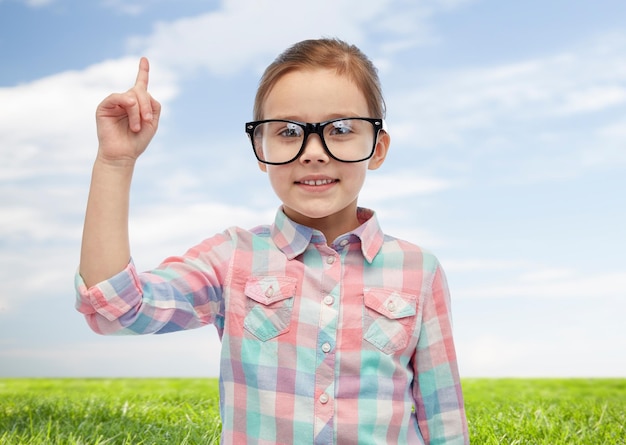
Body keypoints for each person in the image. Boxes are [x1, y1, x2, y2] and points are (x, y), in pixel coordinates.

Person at [76, 38, 469, 444]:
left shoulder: (419, 270)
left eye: (340, 129)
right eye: (286, 131)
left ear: (377, 147)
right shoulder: (232, 259)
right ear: (260, 148)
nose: (313, 152)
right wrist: (115, 162)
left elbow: (444, 418)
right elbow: (116, 309)